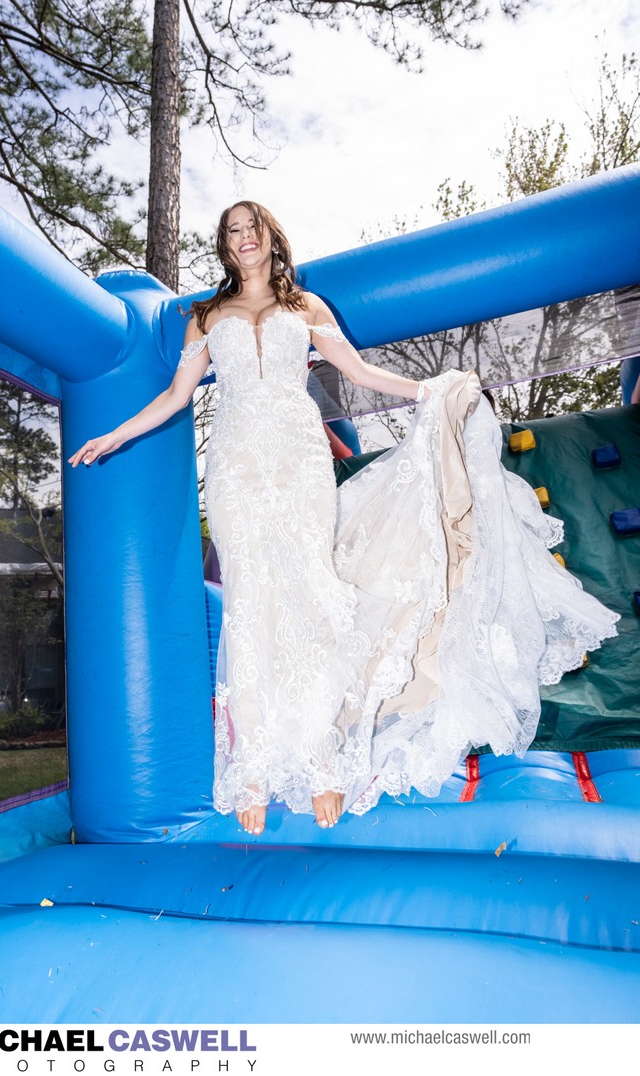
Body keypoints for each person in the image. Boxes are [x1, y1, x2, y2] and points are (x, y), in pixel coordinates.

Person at [69, 200, 620, 838]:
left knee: (312, 598)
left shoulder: (307, 308)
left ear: (272, 236)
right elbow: (174, 395)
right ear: (224, 247)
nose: (243, 239)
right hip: (237, 469)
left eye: (252, 228)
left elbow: (356, 372)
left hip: (300, 461)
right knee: (251, 604)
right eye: (232, 233)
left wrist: (430, 392)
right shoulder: (204, 317)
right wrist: (113, 436)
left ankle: (321, 759)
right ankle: (253, 769)